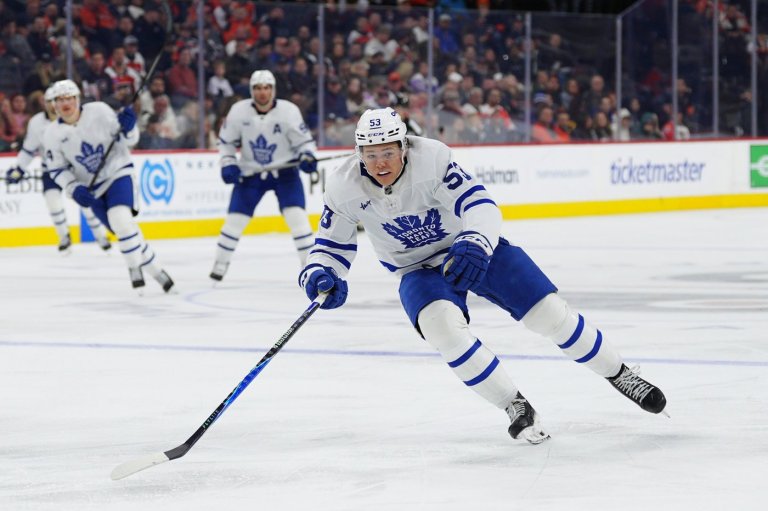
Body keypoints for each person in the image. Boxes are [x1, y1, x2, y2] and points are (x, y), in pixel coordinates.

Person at [298, 107, 667, 444]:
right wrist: (320, 273)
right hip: (416, 268)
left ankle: (619, 373)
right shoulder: (342, 185)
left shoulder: (433, 159)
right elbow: (330, 245)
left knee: (549, 314)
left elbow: (479, 204)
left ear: (404, 147)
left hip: (471, 249)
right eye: (371, 154)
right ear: (359, 153)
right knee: (442, 329)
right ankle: (513, 404)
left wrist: (475, 242)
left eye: (388, 152)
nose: (380, 163)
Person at [42, 79, 175, 294]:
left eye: (69, 98)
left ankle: (134, 268)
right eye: (60, 99)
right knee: (125, 231)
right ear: (54, 104)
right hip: (92, 188)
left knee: (120, 218)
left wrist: (129, 127)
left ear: (78, 99)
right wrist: (73, 188)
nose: (65, 103)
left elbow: (128, 140)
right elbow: (57, 169)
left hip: (117, 172)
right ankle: (159, 273)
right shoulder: (51, 134)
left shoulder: (99, 111)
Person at [210, 69, 318, 282]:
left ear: (273, 89)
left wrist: (307, 156)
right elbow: (226, 142)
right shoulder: (238, 111)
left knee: (297, 219)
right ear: (252, 90)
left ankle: (311, 267)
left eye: (267, 87)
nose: (262, 92)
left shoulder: (288, 111)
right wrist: (228, 163)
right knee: (234, 221)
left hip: (285, 173)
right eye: (258, 88)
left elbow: (304, 142)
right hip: (251, 174)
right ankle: (220, 265)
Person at [5, 86, 112, 254]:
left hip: (76, 169)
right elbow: (29, 149)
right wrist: (18, 168)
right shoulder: (37, 122)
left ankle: (101, 236)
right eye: (49, 101)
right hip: (51, 170)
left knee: (85, 203)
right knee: (53, 202)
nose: (51, 105)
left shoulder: (74, 118)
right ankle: (64, 238)